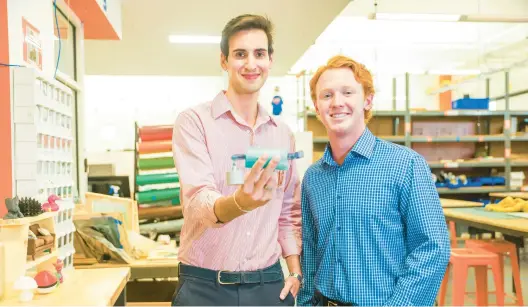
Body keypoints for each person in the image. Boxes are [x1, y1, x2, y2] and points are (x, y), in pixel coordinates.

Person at [297, 55, 451, 306]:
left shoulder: (405, 165)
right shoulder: (314, 178)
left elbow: (432, 248)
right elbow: (311, 254)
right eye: (326, 95)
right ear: (316, 106)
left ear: (367, 100)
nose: (337, 103)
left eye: (348, 92)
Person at [171, 14, 302, 306]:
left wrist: (295, 271)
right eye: (240, 54)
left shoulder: (282, 135)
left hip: (268, 287)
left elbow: (287, 212)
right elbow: (197, 200)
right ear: (224, 61)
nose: (251, 64)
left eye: (259, 53)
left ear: (270, 60)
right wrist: (239, 203)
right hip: (205, 286)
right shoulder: (194, 122)